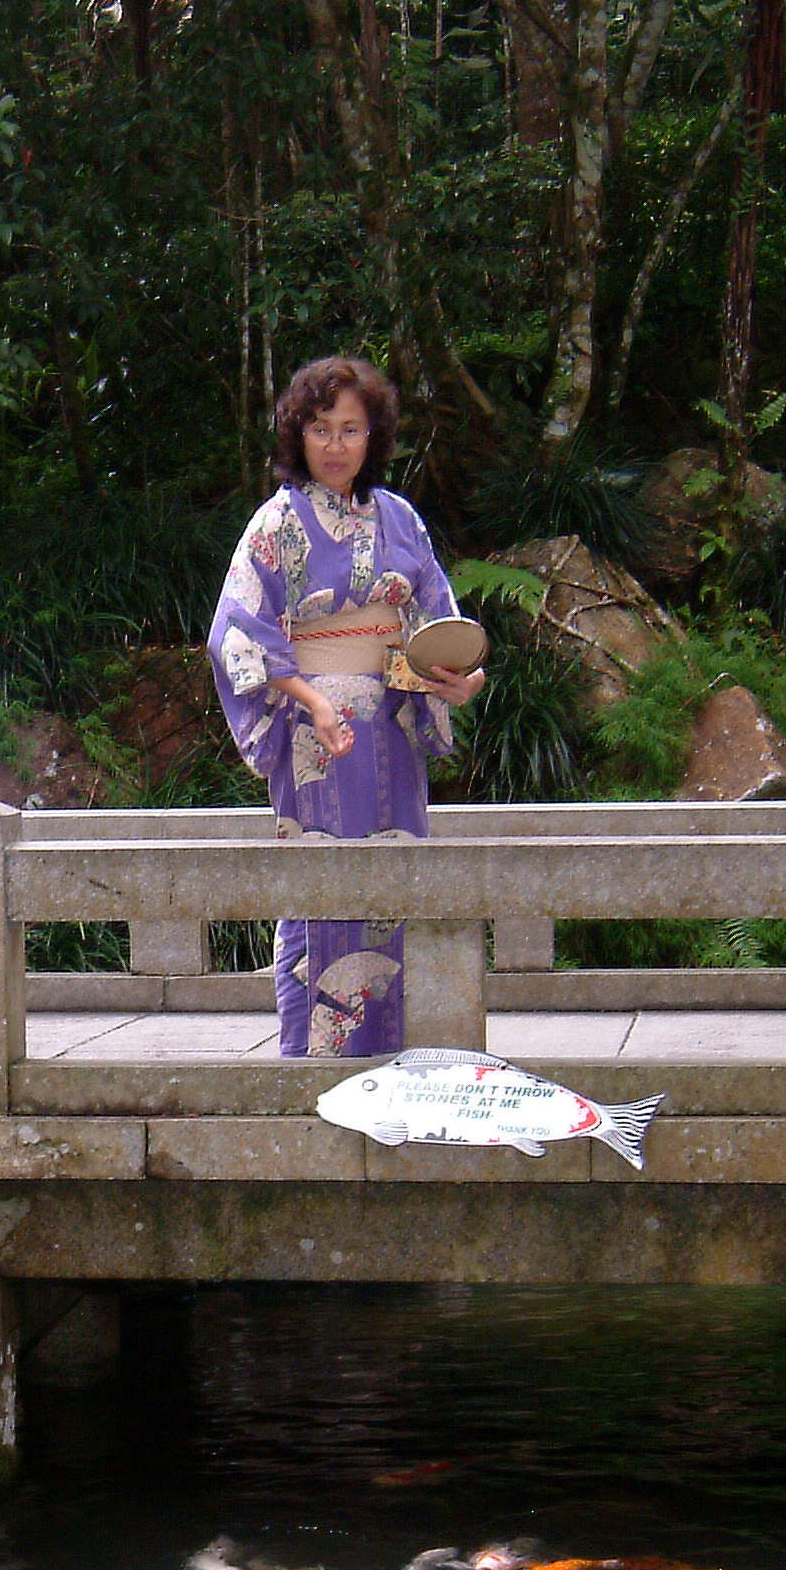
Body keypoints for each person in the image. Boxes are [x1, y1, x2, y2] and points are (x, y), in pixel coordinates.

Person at [206, 355, 488, 1059]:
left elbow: (437, 625)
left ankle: (396, 1061)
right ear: (297, 435)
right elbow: (236, 633)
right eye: (321, 428)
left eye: (352, 429)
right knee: (319, 896)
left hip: (392, 727)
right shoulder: (276, 524)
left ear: (374, 436)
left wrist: (458, 681)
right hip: (316, 737)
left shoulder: (400, 519)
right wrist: (307, 698)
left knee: (393, 893)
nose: (336, 446)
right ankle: (312, 1065)